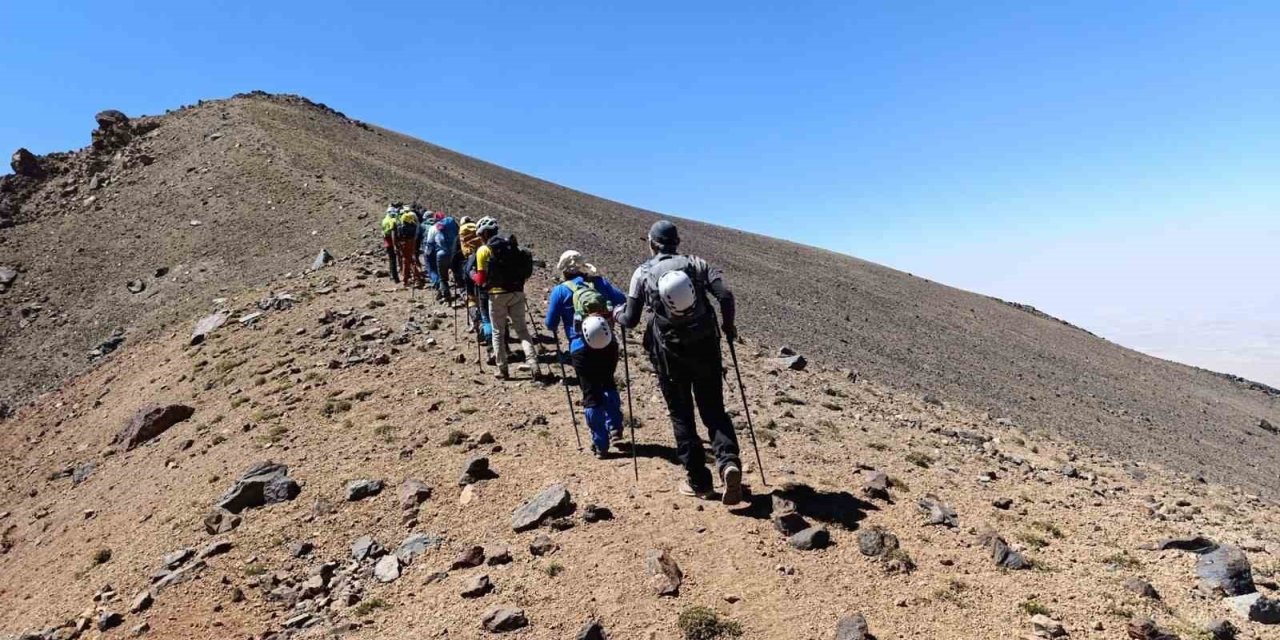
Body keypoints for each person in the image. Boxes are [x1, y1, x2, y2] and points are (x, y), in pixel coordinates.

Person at [615, 220, 742, 505]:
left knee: (682, 415)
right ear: (677, 241)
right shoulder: (697, 264)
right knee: (714, 410)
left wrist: (616, 315)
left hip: (669, 356)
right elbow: (725, 295)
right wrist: (728, 327)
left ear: (652, 243)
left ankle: (699, 482)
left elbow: (631, 319)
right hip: (706, 348)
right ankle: (728, 463)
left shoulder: (643, 273)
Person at [544, 250, 628, 457]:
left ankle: (600, 444)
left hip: (580, 348)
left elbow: (550, 324)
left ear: (564, 271)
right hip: (608, 343)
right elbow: (622, 300)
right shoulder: (599, 283)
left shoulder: (560, 291)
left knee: (591, 394)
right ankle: (615, 427)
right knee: (608, 382)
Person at [471, 218, 538, 380]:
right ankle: (534, 364)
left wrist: (471, 274)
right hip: (517, 292)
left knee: (497, 333)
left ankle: (503, 369)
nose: (480, 238)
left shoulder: (483, 250)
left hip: (496, 295)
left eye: (480, 235)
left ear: (485, 233)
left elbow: (481, 280)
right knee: (522, 331)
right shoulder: (512, 247)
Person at [394, 206, 425, 288]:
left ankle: (409, 279)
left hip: (404, 243)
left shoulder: (400, 223)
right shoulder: (412, 221)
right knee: (411, 259)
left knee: (406, 260)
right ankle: (415, 278)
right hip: (412, 242)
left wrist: (397, 245)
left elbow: (397, 235)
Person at [433, 212, 460, 302]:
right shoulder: (452, 222)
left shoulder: (438, 227)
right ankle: (464, 293)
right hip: (454, 254)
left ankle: (446, 295)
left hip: (442, 254)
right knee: (457, 274)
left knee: (443, 278)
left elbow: (436, 241)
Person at [380, 204, 401, 283]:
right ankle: (396, 278)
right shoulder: (392, 220)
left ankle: (391, 276)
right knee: (393, 260)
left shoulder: (384, 220)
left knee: (391, 260)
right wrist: (395, 244)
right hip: (392, 242)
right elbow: (393, 232)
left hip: (386, 242)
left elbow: (383, 231)